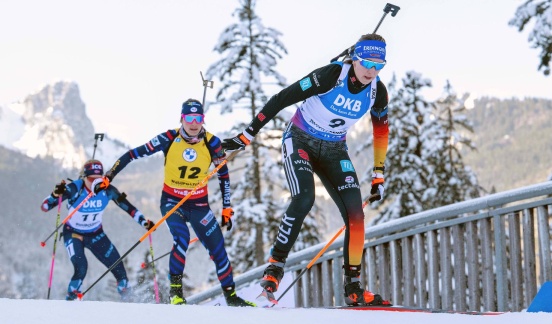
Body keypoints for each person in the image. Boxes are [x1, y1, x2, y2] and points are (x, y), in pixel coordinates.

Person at [222, 33, 391, 306]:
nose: (372, 71)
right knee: (304, 198)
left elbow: (381, 130)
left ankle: (354, 287)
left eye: (379, 65)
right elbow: (281, 98)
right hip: (300, 138)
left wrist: (379, 173)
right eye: (367, 63)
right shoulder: (331, 75)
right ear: (355, 59)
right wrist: (247, 135)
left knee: (356, 215)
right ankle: (274, 270)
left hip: (335, 149)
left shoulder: (377, 91)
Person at [96, 99, 255, 307]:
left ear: (203, 120)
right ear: (182, 119)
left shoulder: (212, 143)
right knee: (182, 238)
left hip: (199, 206)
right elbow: (132, 154)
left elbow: (223, 174)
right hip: (173, 202)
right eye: (189, 118)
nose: (194, 123)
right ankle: (176, 294)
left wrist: (226, 207)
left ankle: (231, 297)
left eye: (198, 118)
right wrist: (110, 175)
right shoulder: (168, 138)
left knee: (218, 248)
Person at [41, 159, 155, 301]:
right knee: (81, 267)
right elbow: (45, 207)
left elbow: (128, 208)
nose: (95, 182)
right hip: (74, 234)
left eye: (98, 178)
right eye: (90, 179)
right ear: (84, 177)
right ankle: (71, 301)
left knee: (119, 268)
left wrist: (144, 222)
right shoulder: (75, 189)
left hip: (96, 234)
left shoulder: (108, 191)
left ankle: (129, 301)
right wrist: (54, 195)